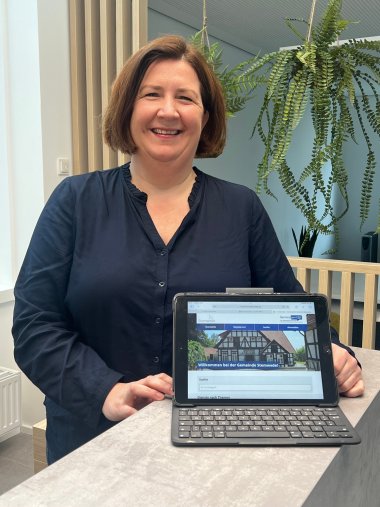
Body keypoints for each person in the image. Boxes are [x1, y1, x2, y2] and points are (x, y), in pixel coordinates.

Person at [12, 35, 364, 464]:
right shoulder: (74, 201)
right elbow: (35, 325)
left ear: (205, 117)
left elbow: (289, 306)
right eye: (152, 94)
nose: (168, 111)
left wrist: (337, 354)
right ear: (128, 109)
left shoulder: (241, 208)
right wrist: (105, 389)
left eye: (186, 98)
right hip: (92, 440)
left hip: (216, 442)